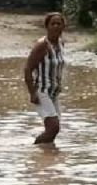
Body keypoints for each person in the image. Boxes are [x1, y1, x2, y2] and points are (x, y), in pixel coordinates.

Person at [24, 12, 67, 145]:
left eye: (58, 24)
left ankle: (46, 155)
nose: (55, 26)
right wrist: (32, 92)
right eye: (52, 24)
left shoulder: (60, 44)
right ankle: (34, 149)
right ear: (47, 26)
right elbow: (27, 69)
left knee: (53, 130)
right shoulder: (42, 45)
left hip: (54, 92)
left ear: (63, 27)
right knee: (53, 127)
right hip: (41, 91)